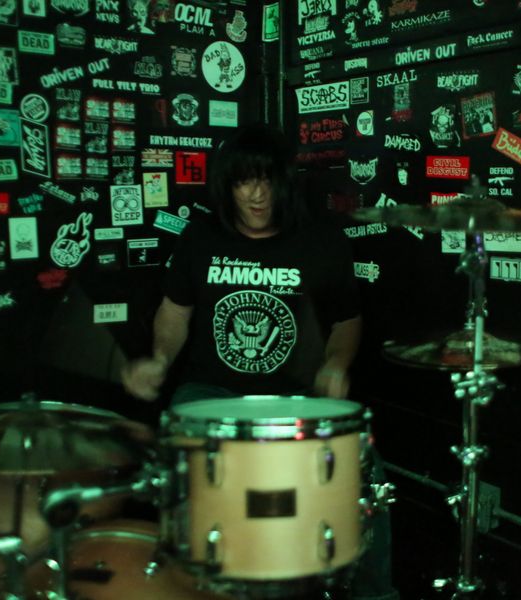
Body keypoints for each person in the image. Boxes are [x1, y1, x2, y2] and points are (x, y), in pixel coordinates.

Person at [121, 125, 397, 600]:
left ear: (284, 181)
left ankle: (375, 595)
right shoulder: (201, 236)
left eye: (267, 180)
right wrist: (160, 359)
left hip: (295, 397)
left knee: (366, 472)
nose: (257, 194)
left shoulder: (320, 239)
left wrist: (335, 364)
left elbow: (347, 321)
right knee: (182, 467)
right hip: (211, 392)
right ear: (227, 185)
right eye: (245, 181)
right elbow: (175, 312)